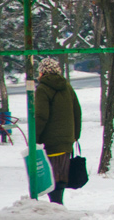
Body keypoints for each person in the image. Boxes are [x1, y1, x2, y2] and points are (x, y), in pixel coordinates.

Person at [34, 57, 80, 205]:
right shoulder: (67, 86)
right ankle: (58, 202)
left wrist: (35, 137)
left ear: (42, 72)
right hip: (67, 139)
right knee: (61, 173)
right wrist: (75, 135)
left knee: (51, 174)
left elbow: (41, 115)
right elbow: (77, 111)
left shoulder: (42, 89)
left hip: (51, 140)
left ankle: (56, 204)